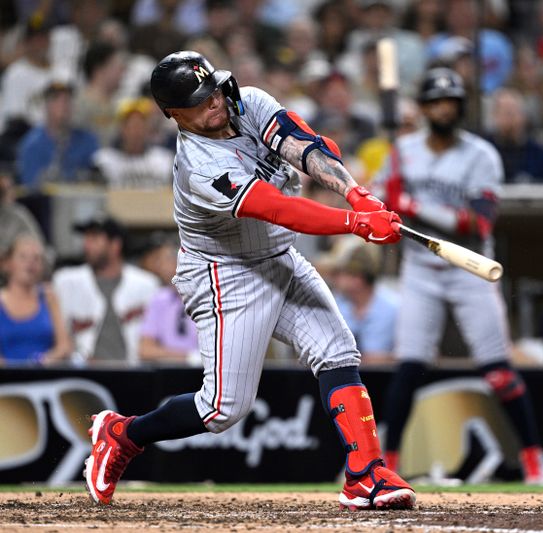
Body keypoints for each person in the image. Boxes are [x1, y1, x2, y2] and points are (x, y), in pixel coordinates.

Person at [82, 51, 415, 510]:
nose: (214, 102)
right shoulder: (199, 165)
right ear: (173, 114)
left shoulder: (248, 102)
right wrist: (356, 223)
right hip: (224, 271)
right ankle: (122, 434)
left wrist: (357, 194)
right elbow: (277, 208)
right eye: (199, 100)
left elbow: (306, 145)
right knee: (222, 408)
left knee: (338, 350)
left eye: (213, 89)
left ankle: (366, 474)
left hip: (277, 254)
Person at [375, 67, 543, 485]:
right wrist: (385, 202)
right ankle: (388, 462)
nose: (443, 109)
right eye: (436, 102)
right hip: (420, 269)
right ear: (423, 108)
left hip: (469, 267)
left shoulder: (481, 155)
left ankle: (533, 456)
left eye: (451, 102)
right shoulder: (402, 151)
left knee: (497, 369)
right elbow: (380, 208)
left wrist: (414, 206)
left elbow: (480, 223)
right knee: (409, 367)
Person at [52, 216, 160, 365]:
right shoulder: (66, 281)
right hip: (85, 373)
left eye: (94, 238)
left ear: (115, 245)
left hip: (135, 372)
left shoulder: (146, 284)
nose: (86, 244)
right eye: (86, 238)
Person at [0, 235, 72, 365]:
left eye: (36, 258)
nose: (30, 263)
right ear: (7, 263)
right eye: (23, 257)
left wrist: (43, 362)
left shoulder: (49, 298)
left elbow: (64, 346)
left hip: (44, 377)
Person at [325, 237, 398, 364]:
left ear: (357, 277)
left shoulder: (395, 308)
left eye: (338, 272)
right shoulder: (334, 305)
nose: (333, 277)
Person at [16, 81, 99, 188]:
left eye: (68, 100)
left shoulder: (87, 140)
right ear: (46, 106)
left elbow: (98, 177)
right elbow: (31, 187)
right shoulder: (33, 145)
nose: (64, 106)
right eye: (57, 100)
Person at [138, 237, 200, 365]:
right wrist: (188, 357)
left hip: (206, 371)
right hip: (168, 371)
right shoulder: (159, 299)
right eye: (159, 261)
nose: (160, 266)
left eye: (165, 260)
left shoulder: (208, 296)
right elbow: (145, 350)